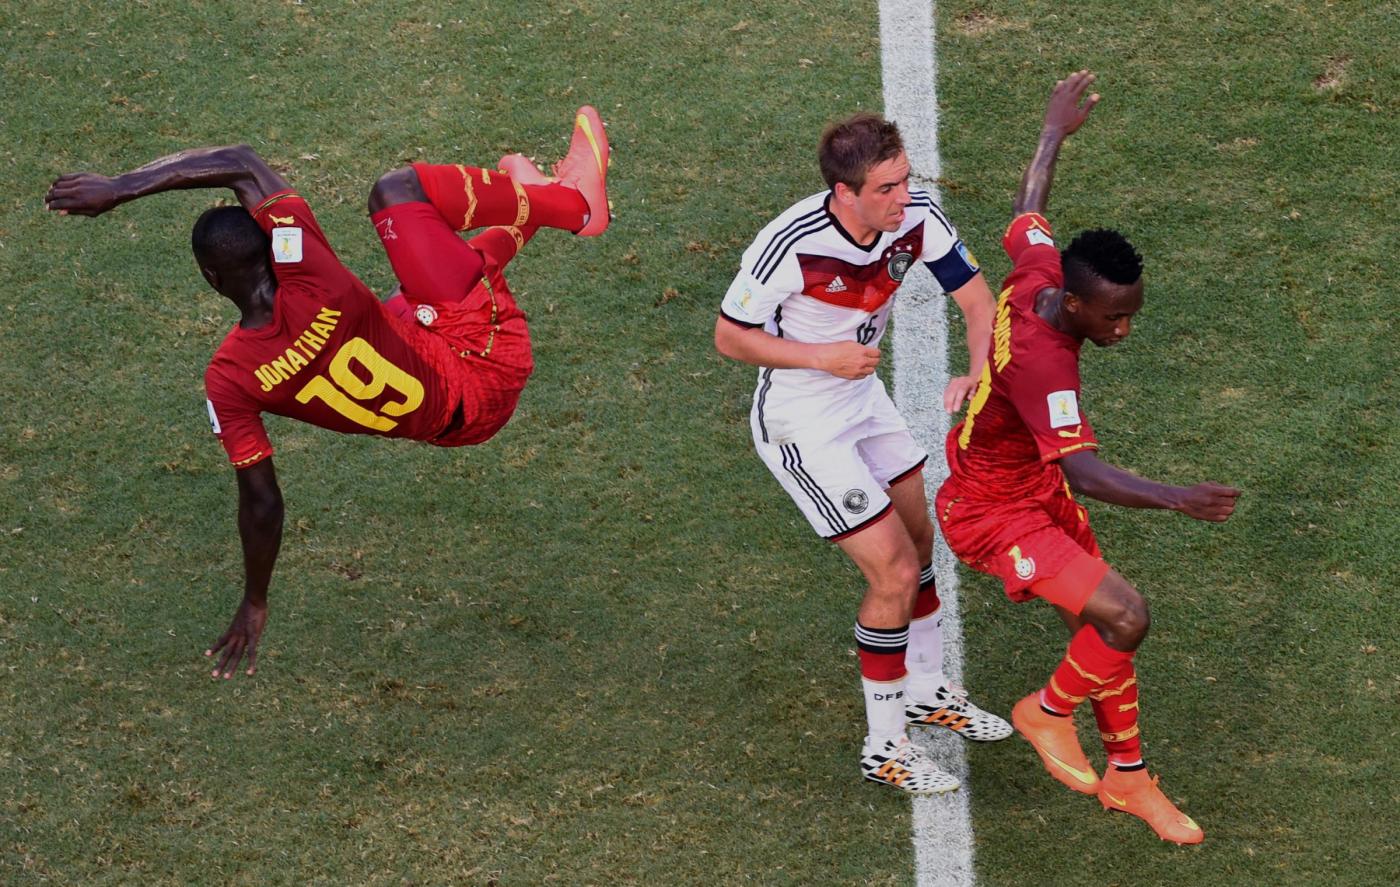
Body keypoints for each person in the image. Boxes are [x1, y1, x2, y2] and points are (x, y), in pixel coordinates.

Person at [45, 107, 611, 679]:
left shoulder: (230, 378)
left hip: (450, 418)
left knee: (420, 284)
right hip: (482, 361)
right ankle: (574, 206)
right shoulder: (313, 275)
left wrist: (255, 600)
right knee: (397, 195)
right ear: (273, 251)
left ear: (212, 280)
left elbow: (262, 503)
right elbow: (239, 163)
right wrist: (118, 188)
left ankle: (535, 199)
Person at [935, 71, 1240, 843]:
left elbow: (1028, 212)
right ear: (1074, 304)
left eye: (1131, 313)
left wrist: (1051, 135)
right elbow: (1085, 472)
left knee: (1106, 626)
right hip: (991, 510)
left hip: (1029, 489)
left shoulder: (1039, 272)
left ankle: (1130, 778)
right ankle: (1046, 712)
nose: (1123, 330)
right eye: (1114, 317)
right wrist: (1177, 497)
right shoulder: (1046, 366)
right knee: (1128, 613)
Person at [715, 112, 1012, 794]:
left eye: (905, 180)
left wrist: (975, 372)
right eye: (886, 188)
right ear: (844, 193)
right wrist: (822, 356)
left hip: (863, 402)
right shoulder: (790, 243)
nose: (903, 197)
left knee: (920, 539)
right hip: (802, 423)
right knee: (894, 572)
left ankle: (927, 689)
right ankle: (884, 747)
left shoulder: (917, 217)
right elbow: (730, 336)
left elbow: (978, 303)